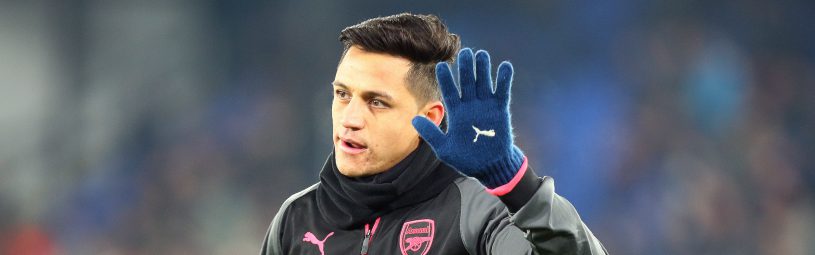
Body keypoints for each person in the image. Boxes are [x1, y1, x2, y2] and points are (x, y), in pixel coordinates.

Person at [260, 13, 607, 255]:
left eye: (377, 102)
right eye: (342, 94)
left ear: (429, 117)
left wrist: (517, 185)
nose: (350, 118)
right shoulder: (296, 217)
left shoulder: (477, 214)